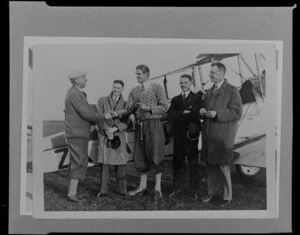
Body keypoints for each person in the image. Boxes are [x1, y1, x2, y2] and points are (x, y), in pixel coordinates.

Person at [119, 64, 169, 206]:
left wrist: (150, 109)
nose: (137, 76)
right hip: (140, 126)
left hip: (154, 124)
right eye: (136, 74)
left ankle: (157, 188)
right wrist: (121, 114)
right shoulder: (134, 91)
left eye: (139, 74)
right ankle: (142, 186)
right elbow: (129, 107)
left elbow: (165, 106)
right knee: (140, 156)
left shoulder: (156, 87)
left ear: (147, 74)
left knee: (156, 154)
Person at [200, 62, 243, 207]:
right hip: (210, 135)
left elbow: (237, 113)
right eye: (210, 72)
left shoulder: (232, 90)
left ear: (222, 74)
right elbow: (206, 110)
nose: (210, 75)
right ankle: (212, 194)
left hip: (223, 136)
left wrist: (217, 114)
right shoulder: (209, 91)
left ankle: (226, 196)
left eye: (213, 73)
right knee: (211, 166)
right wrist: (202, 111)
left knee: (223, 166)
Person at [64, 71, 105, 203]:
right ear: (76, 80)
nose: (86, 79)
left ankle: (72, 192)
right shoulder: (75, 94)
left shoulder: (75, 93)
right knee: (78, 162)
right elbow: (86, 114)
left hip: (78, 133)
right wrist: (105, 116)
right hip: (77, 134)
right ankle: (71, 194)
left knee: (78, 161)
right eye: (83, 77)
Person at [168, 74, 203, 200]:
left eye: (185, 82)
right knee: (178, 163)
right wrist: (183, 112)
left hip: (191, 135)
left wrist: (179, 116)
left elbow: (195, 114)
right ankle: (177, 189)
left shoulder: (197, 98)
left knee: (193, 164)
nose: (183, 85)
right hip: (178, 136)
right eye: (181, 82)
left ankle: (194, 191)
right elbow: (170, 115)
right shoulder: (175, 99)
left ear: (190, 83)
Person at [95, 80, 129, 199]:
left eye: (118, 88)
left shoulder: (126, 104)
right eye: (114, 87)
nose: (116, 89)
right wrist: (106, 130)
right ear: (112, 87)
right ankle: (103, 190)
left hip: (118, 135)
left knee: (120, 165)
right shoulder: (102, 100)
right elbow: (98, 117)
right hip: (104, 135)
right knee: (104, 163)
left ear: (122, 89)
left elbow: (127, 122)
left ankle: (122, 190)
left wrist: (114, 129)